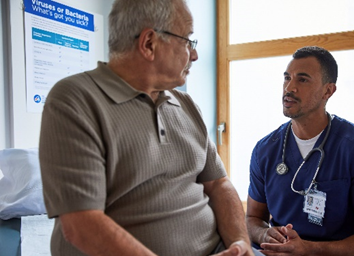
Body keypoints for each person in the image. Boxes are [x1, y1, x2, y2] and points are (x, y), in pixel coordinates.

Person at [39, 0, 262, 255]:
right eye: (187, 40)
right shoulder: (76, 100)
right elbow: (81, 224)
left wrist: (241, 244)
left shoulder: (186, 105)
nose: (195, 54)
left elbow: (219, 184)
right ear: (149, 44)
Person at [246, 46, 354, 256]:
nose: (289, 87)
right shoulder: (265, 150)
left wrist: (308, 249)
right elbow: (253, 219)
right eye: (286, 78)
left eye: (302, 79)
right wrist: (264, 235)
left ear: (328, 91)